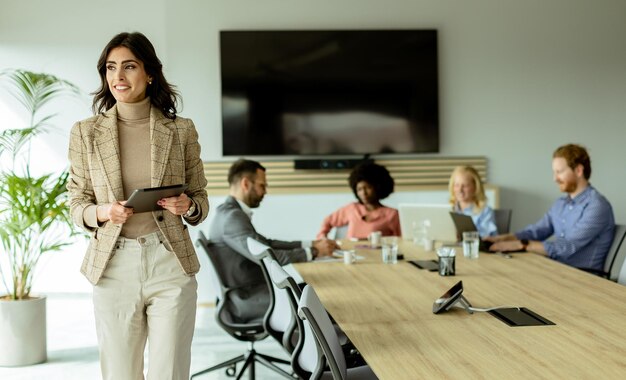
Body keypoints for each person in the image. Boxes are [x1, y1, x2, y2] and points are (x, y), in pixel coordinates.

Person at [67, 32, 208, 380]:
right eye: (110, 68)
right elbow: (76, 203)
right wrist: (103, 212)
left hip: (170, 261)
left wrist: (187, 205)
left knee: (171, 372)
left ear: (149, 73)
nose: (118, 76)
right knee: (119, 374)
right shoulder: (85, 133)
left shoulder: (181, 130)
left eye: (129, 66)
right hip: (114, 264)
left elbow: (201, 200)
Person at [208, 159, 338, 322]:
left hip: (251, 291)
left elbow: (267, 244)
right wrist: (315, 252)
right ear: (246, 184)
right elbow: (267, 256)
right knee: (326, 302)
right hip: (246, 299)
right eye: (262, 185)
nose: (265, 192)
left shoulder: (229, 213)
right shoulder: (232, 218)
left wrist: (310, 244)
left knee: (313, 291)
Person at [487, 144, 615, 273]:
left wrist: (523, 244)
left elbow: (567, 246)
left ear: (578, 171)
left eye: (559, 172)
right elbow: (537, 231)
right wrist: (504, 239)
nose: (554, 178)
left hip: (583, 278)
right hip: (557, 270)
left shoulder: (597, 206)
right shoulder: (560, 204)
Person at [317, 161, 401, 239]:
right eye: (359, 189)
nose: (363, 193)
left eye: (368, 188)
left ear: (378, 187)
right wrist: (322, 238)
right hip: (351, 253)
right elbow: (327, 221)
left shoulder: (392, 215)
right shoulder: (352, 208)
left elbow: (402, 240)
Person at [448, 165, 498, 237]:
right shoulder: (450, 209)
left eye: (465, 185)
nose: (460, 190)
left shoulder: (485, 212)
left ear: (475, 187)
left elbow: (486, 240)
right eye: (456, 185)